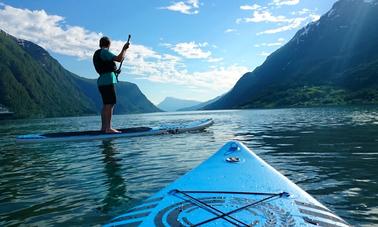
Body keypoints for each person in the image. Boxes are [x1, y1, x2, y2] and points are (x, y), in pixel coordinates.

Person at [93, 36, 130, 133]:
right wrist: (124, 49)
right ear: (108, 44)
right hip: (107, 81)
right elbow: (119, 59)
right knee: (110, 103)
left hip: (101, 81)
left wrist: (115, 71)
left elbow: (106, 68)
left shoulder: (98, 53)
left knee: (106, 105)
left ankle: (103, 128)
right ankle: (108, 128)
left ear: (100, 44)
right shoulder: (104, 51)